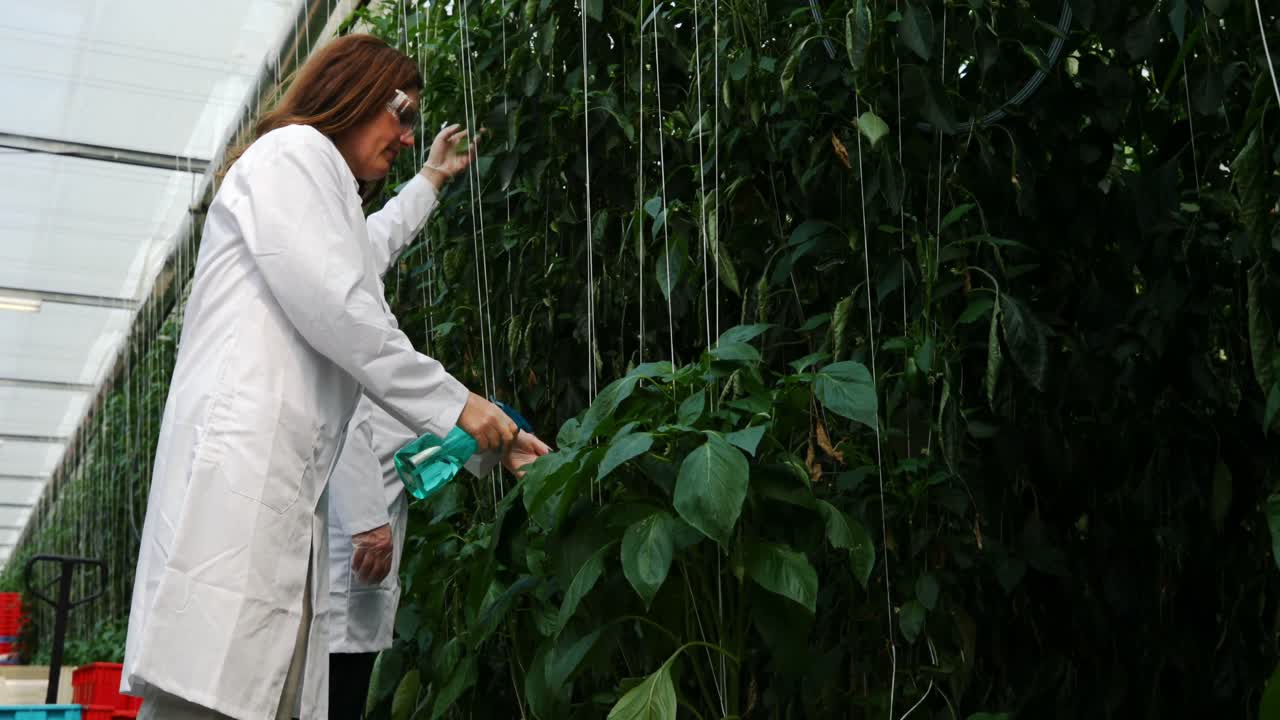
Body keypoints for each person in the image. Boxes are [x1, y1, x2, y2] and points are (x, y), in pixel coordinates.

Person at [121, 34, 549, 720]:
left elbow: (360, 265)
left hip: (277, 489)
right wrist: (462, 406)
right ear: (354, 90)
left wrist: (432, 182)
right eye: (403, 114)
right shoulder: (295, 155)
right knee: (206, 701)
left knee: (228, 699)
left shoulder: (321, 188)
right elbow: (345, 309)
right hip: (244, 479)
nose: (408, 136)